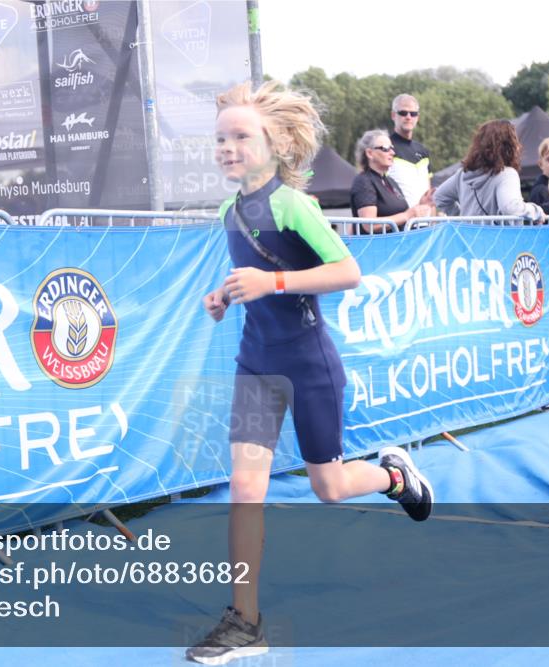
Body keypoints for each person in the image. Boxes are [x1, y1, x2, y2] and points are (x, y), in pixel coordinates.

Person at [188, 80, 434, 665]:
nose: (227, 147)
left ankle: (393, 477)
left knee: (329, 487)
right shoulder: (229, 210)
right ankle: (245, 621)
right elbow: (251, 274)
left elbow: (347, 271)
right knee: (246, 489)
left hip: (308, 364)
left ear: (274, 144)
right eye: (221, 138)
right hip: (255, 363)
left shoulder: (294, 204)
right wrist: (225, 297)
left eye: (241, 136)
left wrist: (271, 283)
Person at [433, 119, 544, 221]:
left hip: (466, 238)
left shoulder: (462, 174)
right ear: (510, 146)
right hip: (498, 240)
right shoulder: (507, 174)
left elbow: (439, 197)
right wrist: (537, 211)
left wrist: (461, 219)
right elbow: (510, 207)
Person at [350, 129, 433, 231]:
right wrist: (407, 215)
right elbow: (369, 225)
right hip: (378, 245)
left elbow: (400, 213)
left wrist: (420, 205)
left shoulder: (390, 181)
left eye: (392, 148)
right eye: (385, 149)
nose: (392, 152)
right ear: (370, 153)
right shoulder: (364, 181)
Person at [386, 94, 432, 207]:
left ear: (418, 117)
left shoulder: (423, 151)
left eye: (413, 113)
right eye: (403, 113)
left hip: (425, 222)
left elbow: (429, 193)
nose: (408, 117)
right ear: (393, 115)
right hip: (396, 223)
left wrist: (433, 220)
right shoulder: (384, 147)